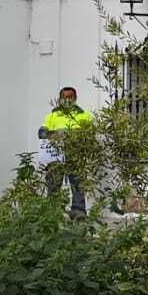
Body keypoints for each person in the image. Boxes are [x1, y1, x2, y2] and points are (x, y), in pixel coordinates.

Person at [38, 87, 92, 219]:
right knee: (53, 183)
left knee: (77, 183)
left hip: (76, 154)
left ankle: (78, 211)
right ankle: (53, 211)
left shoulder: (83, 115)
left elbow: (90, 133)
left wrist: (70, 135)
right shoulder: (52, 115)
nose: (67, 100)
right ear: (60, 99)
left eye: (70, 97)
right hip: (55, 156)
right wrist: (51, 134)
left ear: (75, 98)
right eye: (65, 97)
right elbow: (42, 132)